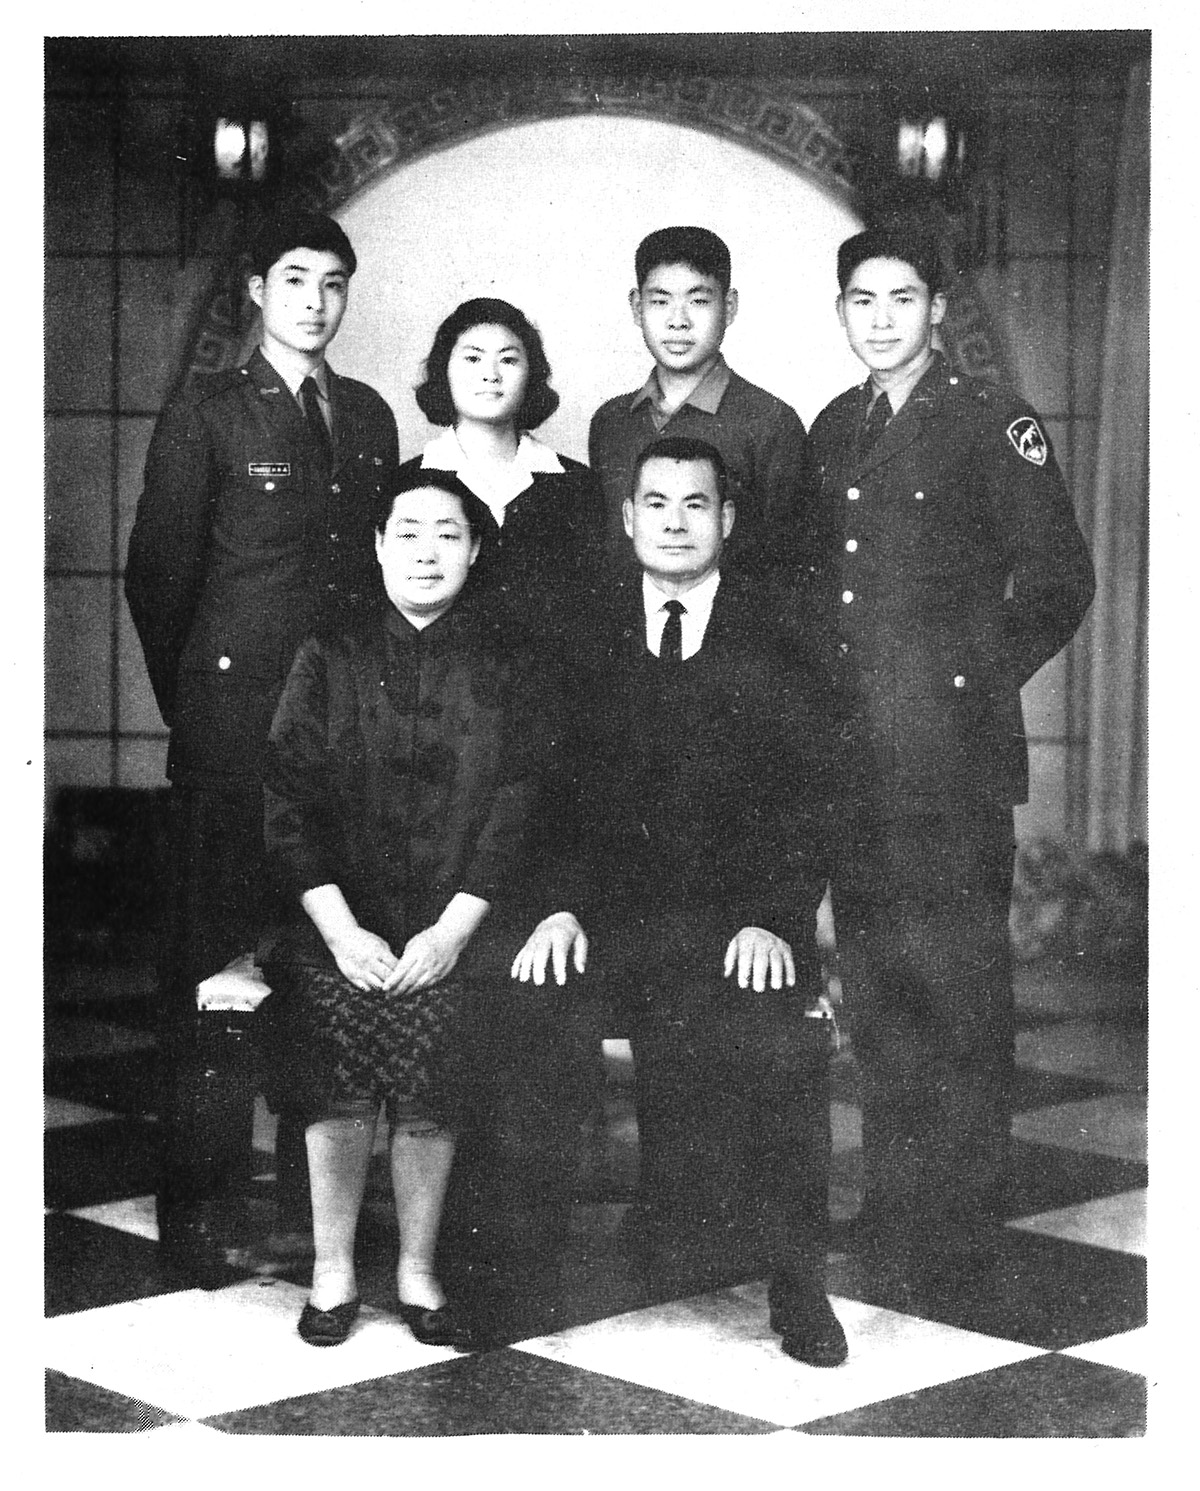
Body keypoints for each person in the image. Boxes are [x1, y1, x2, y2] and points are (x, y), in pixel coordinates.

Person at [512, 435, 848, 1368]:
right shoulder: (582, 630)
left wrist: (774, 916)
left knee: (783, 1031)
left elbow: (814, 793)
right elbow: (543, 789)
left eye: (695, 504)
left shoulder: (781, 633)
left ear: (727, 519)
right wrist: (558, 906)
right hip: (607, 920)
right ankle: (516, 1281)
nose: (673, 522)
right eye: (655, 503)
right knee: (524, 1004)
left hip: (733, 921)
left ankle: (800, 1289)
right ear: (627, 518)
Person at [808, 220, 1096, 1275]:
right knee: (879, 981)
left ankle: (963, 1217)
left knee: (959, 983)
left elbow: (1061, 580)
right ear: (842, 313)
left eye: (902, 300)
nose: (881, 319)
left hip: (952, 760)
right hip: (856, 759)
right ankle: (896, 1199)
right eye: (863, 301)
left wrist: (965, 684)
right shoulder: (834, 425)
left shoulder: (990, 419)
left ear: (936, 310)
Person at [124, 210, 400, 1280]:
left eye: (333, 282)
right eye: (294, 279)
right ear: (256, 290)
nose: (315, 301)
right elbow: (159, 579)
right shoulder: (209, 412)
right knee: (211, 974)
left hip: (338, 747)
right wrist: (207, 708)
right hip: (233, 741)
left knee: (320, 968)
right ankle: (196, 1214)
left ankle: (305, 1205)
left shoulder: (365, 416)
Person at [260, 471, 548, 1350]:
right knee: (338, 1024)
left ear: (475, 549)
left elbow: (518, 803)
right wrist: (343, 932)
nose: (428, 552)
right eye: (409, 533)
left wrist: (453, 930)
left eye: (448, 534)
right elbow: (286, 801)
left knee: (436, 1031)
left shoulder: (509, 662)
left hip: (459, 921)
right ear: (379, 545)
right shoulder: (328, 652)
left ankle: (418, 1269)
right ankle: (334, 1268)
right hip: (334, 920)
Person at [588, 226, 813, 579]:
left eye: (698, 301)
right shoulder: (611, 421)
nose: (678, 322)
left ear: (729, 307)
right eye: (660, 301)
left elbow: (787, 566)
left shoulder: (770, 422)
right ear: (636, 307)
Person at [399, 297, 605, 647]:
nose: (490, 375)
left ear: (531, 375)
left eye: (508, 360)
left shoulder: (576, 483)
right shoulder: (408, 483)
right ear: (444, 370)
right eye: (473, 358)